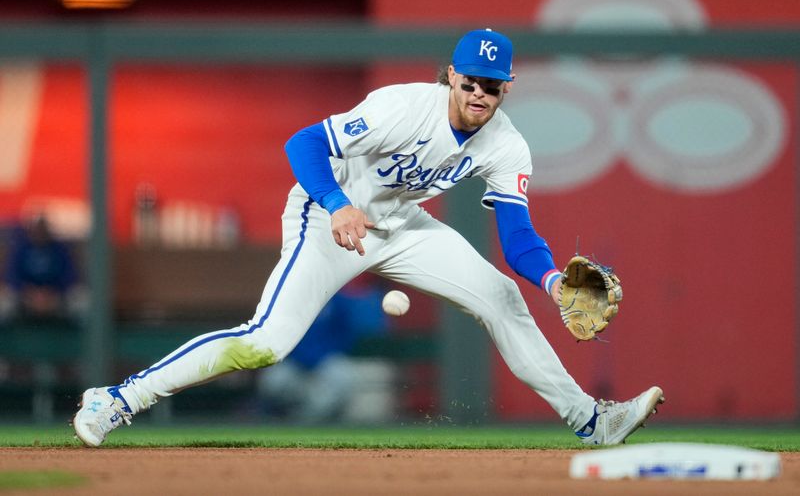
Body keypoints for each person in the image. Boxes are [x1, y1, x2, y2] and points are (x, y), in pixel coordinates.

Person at [73, 28, 663, 447]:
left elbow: (516, 233)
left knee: (504, 297)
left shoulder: (506, 144)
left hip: (403, 225)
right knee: (267, 343)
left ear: (507, 87)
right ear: (452, 76)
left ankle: (591, 421)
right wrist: (335, 204)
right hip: (324, 218)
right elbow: (302, 144)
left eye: (493, 84)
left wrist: (554, 281)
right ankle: (118, 399)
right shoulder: (404, 107)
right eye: (472, 81)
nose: (480, 93)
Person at [255, 279, 387, 423]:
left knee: (344, 378)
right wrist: (300, 356)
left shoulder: (337, 300)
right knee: (274, 380)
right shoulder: (291, 301)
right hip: (294, 362)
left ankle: (316, 420)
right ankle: (280, 418)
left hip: (326, 361)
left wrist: (322, 355)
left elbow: (346, 334)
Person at [1, 213, 83, 325]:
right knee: (4, 303)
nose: (40, 232)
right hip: (26, 296)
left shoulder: (60, 249)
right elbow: (12, 276)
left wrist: (52, 293)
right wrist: (29, 293)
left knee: (81, 302)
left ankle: (80, 340)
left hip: (55, 296)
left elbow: (70, 275)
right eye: (37, 228)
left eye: (42, 228)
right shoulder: (21, 248)